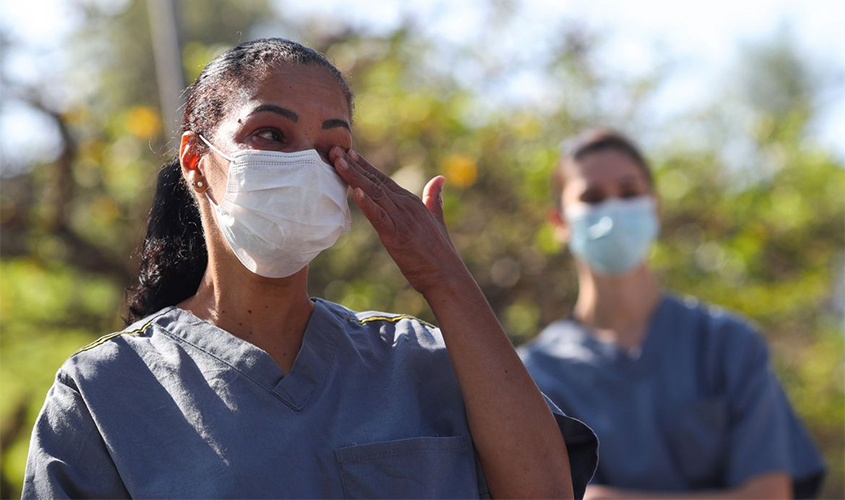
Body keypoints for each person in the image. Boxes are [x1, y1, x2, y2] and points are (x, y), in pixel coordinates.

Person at [22, 38, 597, 499]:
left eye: (331, 148)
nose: (305, 164)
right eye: (271, 135)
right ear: (196, 161)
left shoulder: (424, 363)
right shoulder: (105, 392)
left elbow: (544, 491)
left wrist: (445, 278)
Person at [518, 129, 826, 499]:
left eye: (629, 193)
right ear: (560, 223)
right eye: (592, 197)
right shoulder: (535, 373)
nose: (613, 210)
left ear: (655, 207)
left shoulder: (728, 344)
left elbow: (770, 494)